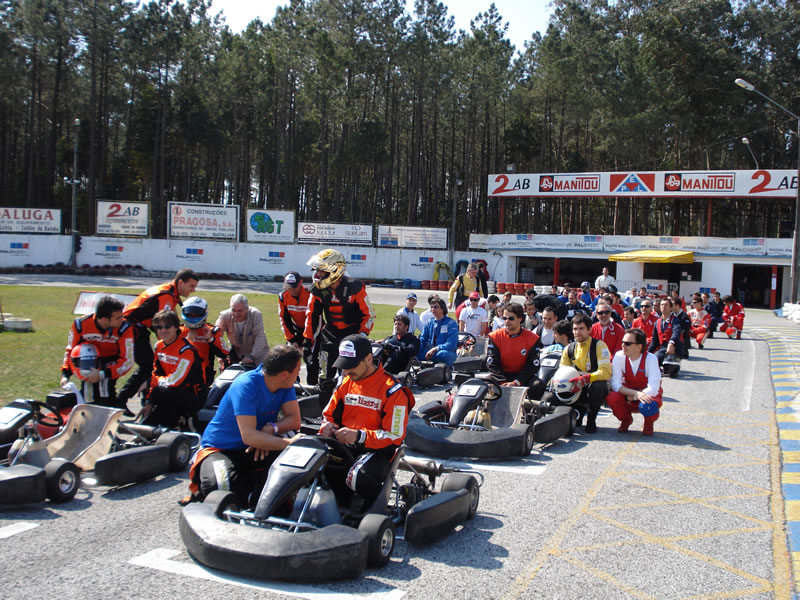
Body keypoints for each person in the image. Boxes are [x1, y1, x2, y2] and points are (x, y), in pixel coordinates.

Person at [185, 346, 303, 504]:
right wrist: (286, 443)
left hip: (253, 445)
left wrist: (269, 430)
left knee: (294, 468)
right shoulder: (246, 385)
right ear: (284, 374)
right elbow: (249, 436)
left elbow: (294, 420)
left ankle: (260, 503)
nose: (297, 376)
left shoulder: (284, 385)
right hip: (221, 448)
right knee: (221, 486)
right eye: (296, 371)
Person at [320, 335, 415, 505]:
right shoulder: (344, 382)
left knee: (359, 478)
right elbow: (329, 415)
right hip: (343, 446)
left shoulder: (393, 391)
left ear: (369, 359)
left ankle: (369, 508)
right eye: (343, 365)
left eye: (351, 366)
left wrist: (359, 436)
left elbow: (394, 436)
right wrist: (327, 426)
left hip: (377, 451)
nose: (346, 371)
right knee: (311, 465)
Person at [117, 268, 200, 407]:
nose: (193, 290)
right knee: (148, 365)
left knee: (150, 364)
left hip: (137, 328)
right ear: (180, 282)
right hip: (132, 329)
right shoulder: (166, 296)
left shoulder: (168, 292)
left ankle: (145, 400)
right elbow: (165, 324)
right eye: (191, 286)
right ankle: (122, 400)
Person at [303, 249, 376, 405]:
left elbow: (369, 314)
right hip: (330, 336)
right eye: (317, 270)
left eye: (321, 271)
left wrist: (361, 336)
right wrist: (307, 344)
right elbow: (312, 318)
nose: (317, 274)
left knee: (353, 377)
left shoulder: (355, 287)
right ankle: (324, 415)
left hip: (352, 337)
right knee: (325, 379)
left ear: (335, 270)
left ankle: (354, 411)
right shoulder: (317, 290)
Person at [60, 295, 134, 410]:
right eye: (118, 317)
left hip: (111, 362)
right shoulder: (80, 325)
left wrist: (102, 374)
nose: (122, 319)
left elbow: (128, 360)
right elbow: (71, 350)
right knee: (88, 393)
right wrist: (65, 374)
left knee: (105, 390)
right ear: (104, 319)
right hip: (88, 361)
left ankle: (109, 413)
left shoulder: (124, 328)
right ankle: (86, 415)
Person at [138, 309, 205, 429]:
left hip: (193, 396)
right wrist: (149, 401)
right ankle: (150, 428)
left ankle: (185, 421)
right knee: (152, 390)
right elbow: (156, 372)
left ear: (176, 327)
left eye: (167, 327)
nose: (163, 330)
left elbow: (176, 380)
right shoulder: (159, 346)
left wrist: (151, 383)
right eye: (159, 327)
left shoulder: (186, 350)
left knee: (161, 392)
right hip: (169, 390)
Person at [557, 313, 612, 433]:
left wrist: (585, 379)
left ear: (589, 330)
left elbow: (606, 372)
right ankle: (575, 413)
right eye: (575, 329)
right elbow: (562, 371)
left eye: (581, 328)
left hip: (593, 383)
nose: (577, 332)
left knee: (598, 386)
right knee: (552, 395)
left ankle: (592, 418)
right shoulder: (569, 349)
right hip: (575, 384)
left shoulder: (599, 346)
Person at [606, 328, 663, 436]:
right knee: (612, 398)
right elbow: (615, 384)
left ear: (639, 346)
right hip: (630, 393)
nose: (623, 345)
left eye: (627, 343)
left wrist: (633, 397)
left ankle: (649, 422)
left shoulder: (651, 359)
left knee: (648, 405)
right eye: (623, 342)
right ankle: (626, 419)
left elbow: (654, 388)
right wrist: (635, 394)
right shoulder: (619, 356)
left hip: (645, 395)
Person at [486, 302, 543, 396]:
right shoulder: (495, 336)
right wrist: (502, 381)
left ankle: (529, 409)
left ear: (520, 318)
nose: (506, 321)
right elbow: (492, 363)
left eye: (511, 318)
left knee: (538, 385)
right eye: (504, 318)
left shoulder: (532, 338)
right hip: (501, 376)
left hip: (522, 377)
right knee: (483, 385)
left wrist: (516, 382)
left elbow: (533, 366)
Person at [180, 296, 229, 389]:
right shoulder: (178, 331)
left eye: (196, 314)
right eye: (190, 314)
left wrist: (210, 339)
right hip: (181, 373)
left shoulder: (213, 331)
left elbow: (225, 354)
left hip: (204, 376)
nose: (193, 316)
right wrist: (188, 341)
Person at [278, 271, 317, 384]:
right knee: (288, 357)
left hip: (313, 330)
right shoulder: (283, 297)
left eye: (294, 287)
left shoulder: (310, 295)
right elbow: (284, 319)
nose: (291, 290)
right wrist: (292, 340)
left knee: (311, 359)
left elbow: (313, 319)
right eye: (288, 287)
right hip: (296, 330)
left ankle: (312, 385)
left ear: (301, 283)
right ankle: (293, 384)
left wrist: (307, 341)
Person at [216, 294, 270, 367]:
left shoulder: (255, 314)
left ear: (247, 309)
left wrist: (252, 356)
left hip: (258, 355)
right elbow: (217, 335)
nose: (236, 314)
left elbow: (260, 337)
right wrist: (220, 354)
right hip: (237, 353)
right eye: (233, 310)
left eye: (240, 311)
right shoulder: (224, 316)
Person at [417, 298, 458, 366]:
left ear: (442, 309)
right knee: (413, 352)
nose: (433, 309)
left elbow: (451, 344)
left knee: (441, 354)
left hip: (446, 352)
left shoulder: (451, 323)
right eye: (431, 307)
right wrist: (416, 349)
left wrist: (436, 348)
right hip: (430, 351)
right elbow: (423, 339)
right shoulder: (429, 322)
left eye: (435, 307)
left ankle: (447, 369)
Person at [648, 298, 683, 366]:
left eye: (666, 305)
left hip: (675, 347)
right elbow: (654, 341)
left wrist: (671, 342)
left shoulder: (675, 320)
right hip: (663, 348)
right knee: (652, 359)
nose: (664, 306)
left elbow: (676, 332)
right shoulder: (657, 322)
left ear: (671, 308)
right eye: (662, 305)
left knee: (670, 367)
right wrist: (647, 353)